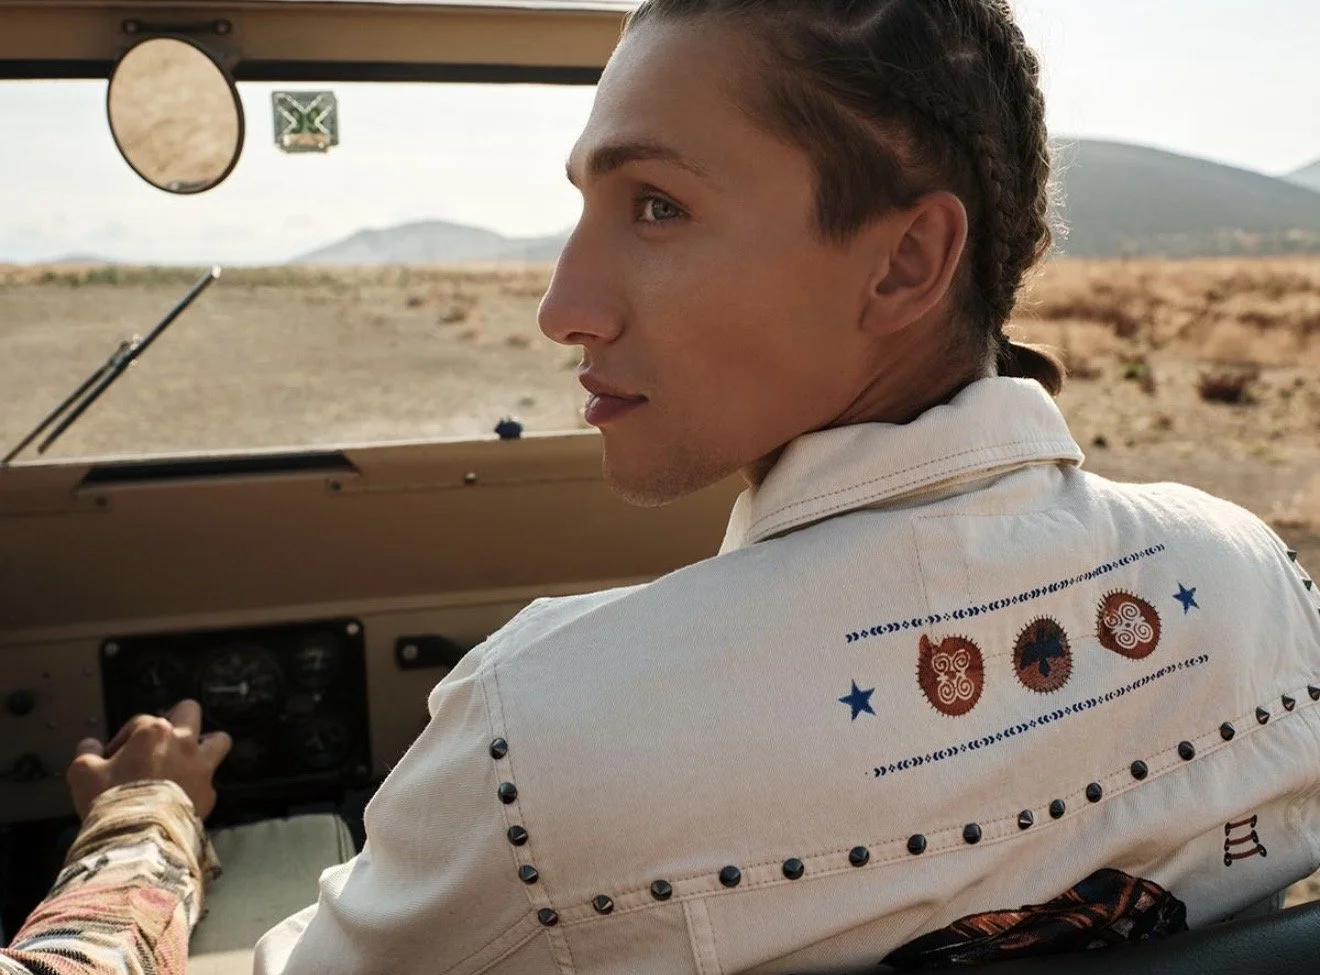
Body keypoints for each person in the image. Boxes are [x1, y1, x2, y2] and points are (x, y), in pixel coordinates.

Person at [6, 0, 1320, 972]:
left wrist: (145, 817)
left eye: (655, 208)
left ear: (906, 263)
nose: (562, 307)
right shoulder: (1253, 581)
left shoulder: (541, 739)